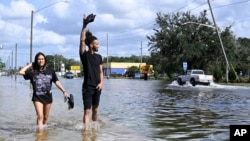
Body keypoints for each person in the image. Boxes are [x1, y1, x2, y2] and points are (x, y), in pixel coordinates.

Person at [19, 52, 68, 128]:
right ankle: (39, 136)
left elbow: (56, 82)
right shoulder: (33, 71)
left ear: (45, 60)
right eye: (39, 59)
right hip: (37, 97)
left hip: (48, 97)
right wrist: (30, 64)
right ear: (36, 60)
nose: (41, 60)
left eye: (42, 59)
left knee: (45, 117)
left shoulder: (50, 70)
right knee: (40, 116)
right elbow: (20, 72)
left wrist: (64, 91)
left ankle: (44, 134)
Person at [79, 14, 103, 130]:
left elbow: (101, 72)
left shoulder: (99, 57)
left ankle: (94, 127)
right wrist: (84, 25)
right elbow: (82, 41)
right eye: (97, 44)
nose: (98, 45)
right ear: (91, 45)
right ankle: (86, 132)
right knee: (87, 110)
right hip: (87, 87)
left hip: (98, 87)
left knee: (95, 109)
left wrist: (101, 83)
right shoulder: (85, 56)